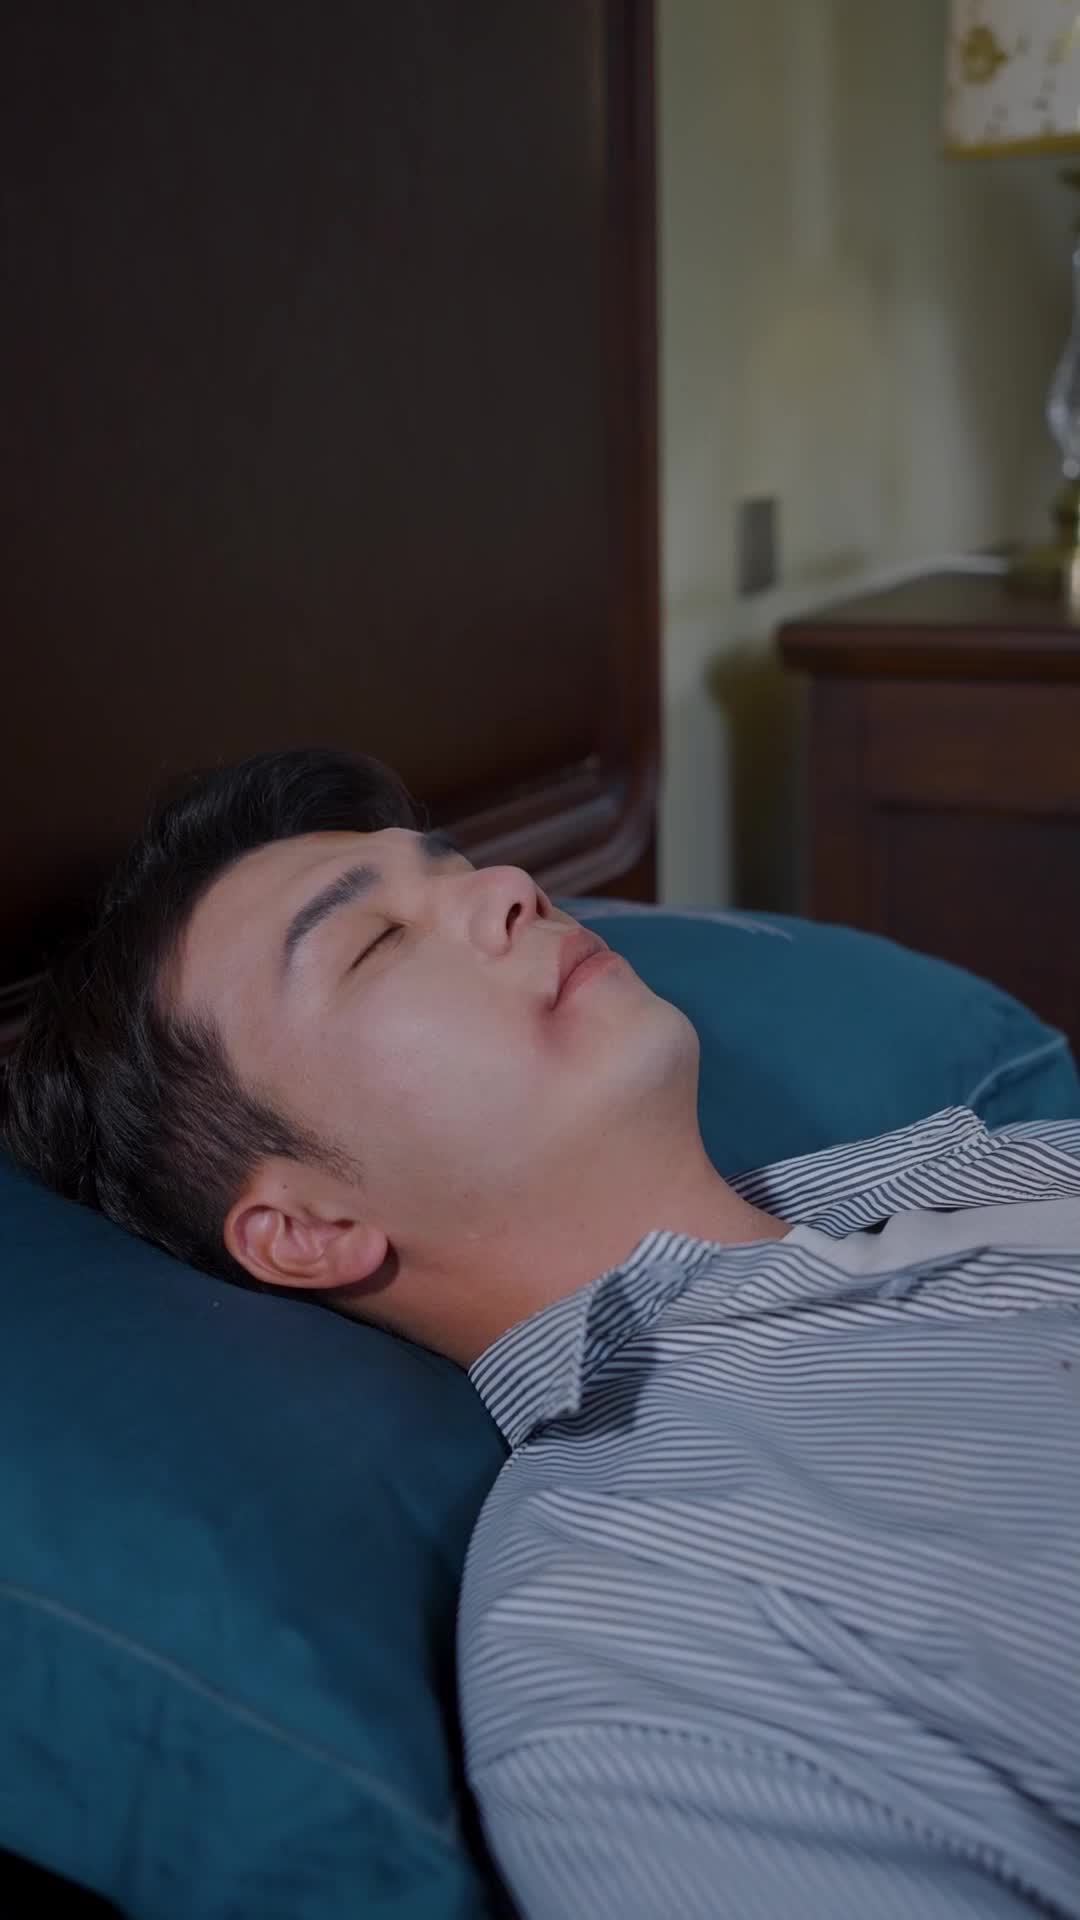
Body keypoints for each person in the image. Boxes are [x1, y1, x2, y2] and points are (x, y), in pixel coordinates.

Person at [4, 745, 1078, 1920]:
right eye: (375, 942)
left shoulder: (982, 1162)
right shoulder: (640, 1630)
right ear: (308, 1230)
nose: (511, 886)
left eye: (456, 867)